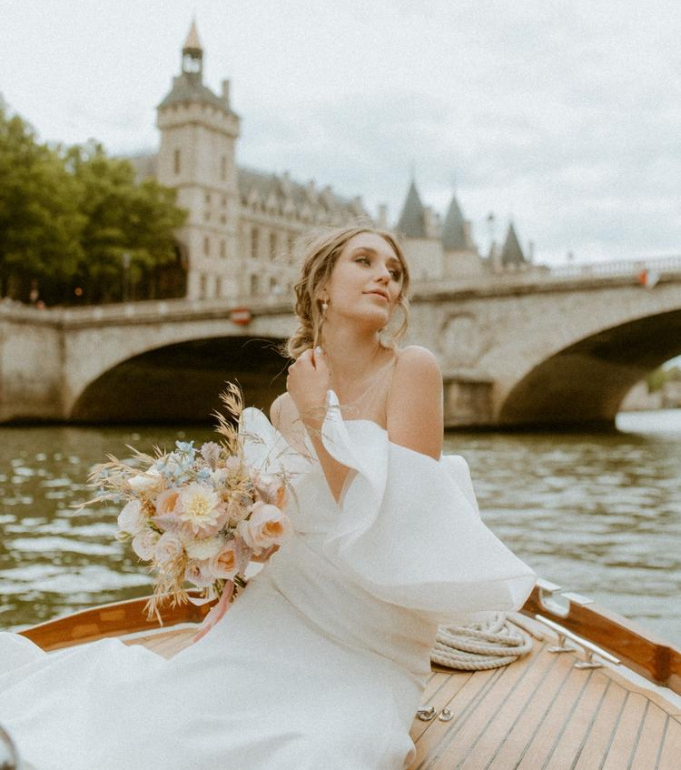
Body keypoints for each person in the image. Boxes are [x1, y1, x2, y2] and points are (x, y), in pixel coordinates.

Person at [0, 226, 535, 770]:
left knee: (331, 750)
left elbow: (400, 523)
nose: (385, 276)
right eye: (366, 261)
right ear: (322, 286)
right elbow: (284, 528)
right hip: (282, 614)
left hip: (372, 637)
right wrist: (226, 574)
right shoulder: (282, 407)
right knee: (162, 723)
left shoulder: (411, 370)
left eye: (394, 271)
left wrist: (316, 410)